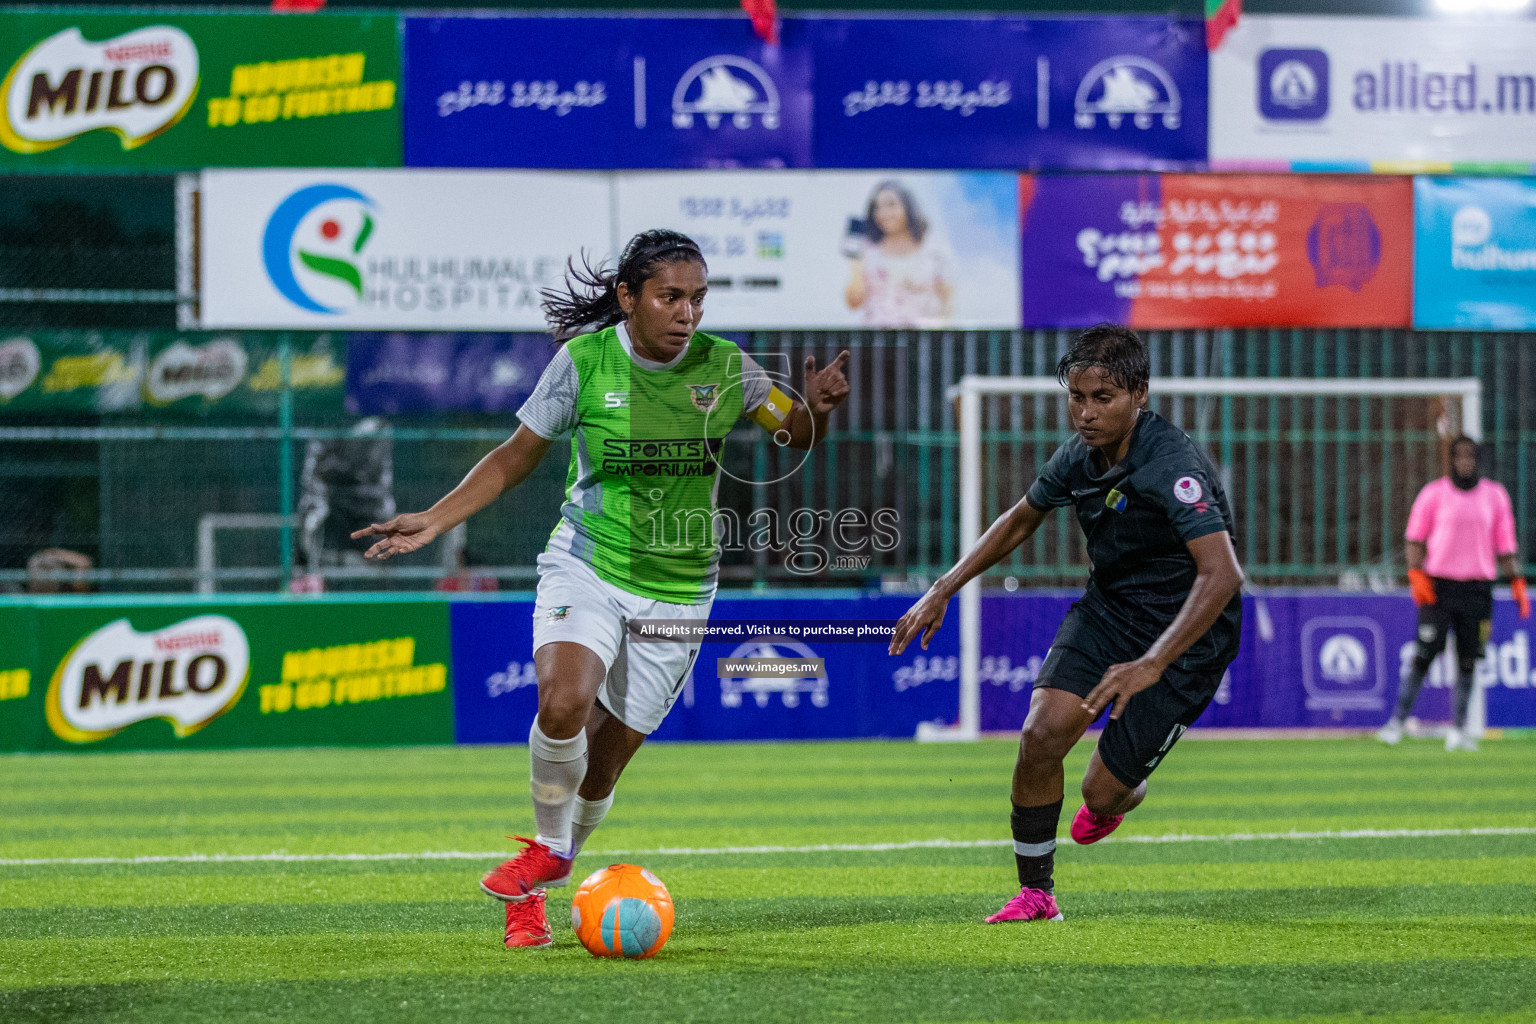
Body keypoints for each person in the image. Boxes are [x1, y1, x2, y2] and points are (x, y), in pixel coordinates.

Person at [353, 229, 852, 948]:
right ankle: (548, 852)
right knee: (563, 702)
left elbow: (791, 431)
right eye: (670, 296)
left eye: (698, 299)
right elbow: (515, 455)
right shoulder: (583, 363)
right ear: (628, 297)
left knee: (603, 764)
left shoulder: (727, 367)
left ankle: (542, 871)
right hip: (585, 563)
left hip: (680, 591)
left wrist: (819, 410)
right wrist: (435, 519)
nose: (688, 313)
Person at [889, 323, 1243, 924]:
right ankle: (1037, 893)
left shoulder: (1172, 466)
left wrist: (1152, 662)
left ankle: (1119, 798)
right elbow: (1023, 517)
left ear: (1140, 395)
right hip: (1110, 610)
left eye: (1102, 398)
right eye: (1076, 397)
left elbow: (1223, 574)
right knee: (1041, 734)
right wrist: (944, 586)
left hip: (1187, 637)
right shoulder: (1078, 456)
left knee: (1100, 792)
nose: (1085, 412)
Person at [1376, 436, 1528, 752]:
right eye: (1459, 457)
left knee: (1469, 660)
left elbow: (1506, 544)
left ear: (1477, 461)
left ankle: (1458, 730)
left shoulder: (1495, 496)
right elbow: (1414, 539)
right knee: (1424, 654)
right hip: (1439, 587)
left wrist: (1516, 581)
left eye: (1470, 457)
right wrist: (1416, 575)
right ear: (1451, 461)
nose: (1464, 463)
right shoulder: (1434, 494)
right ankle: (1396, 723)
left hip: (1477, 589)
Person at [843, 180, 954, 328]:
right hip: (879, 343)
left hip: (922, 340)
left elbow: (948, 300)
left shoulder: (932, 249)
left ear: (908, 207)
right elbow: (854, 303)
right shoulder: (869, 250)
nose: (883, 213)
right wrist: (856, 268)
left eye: (891, 205)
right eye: (877, 207)